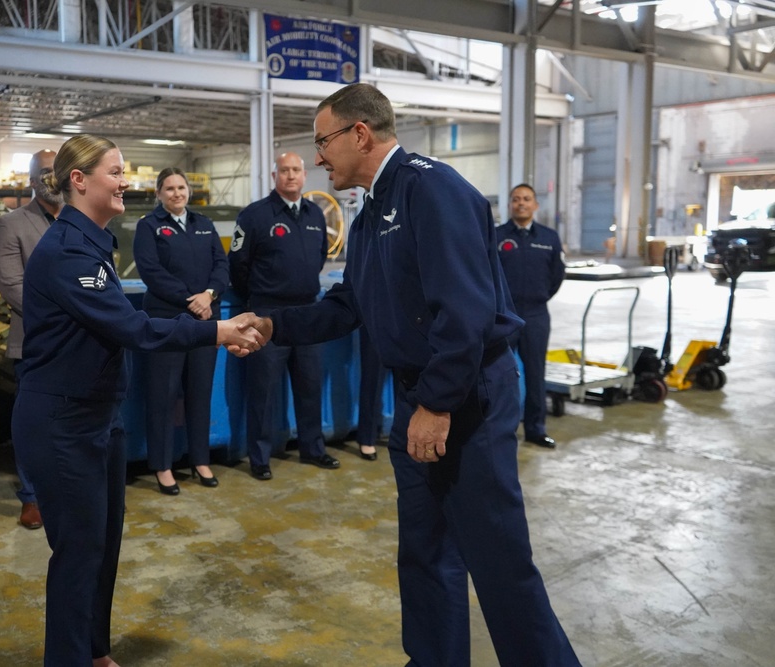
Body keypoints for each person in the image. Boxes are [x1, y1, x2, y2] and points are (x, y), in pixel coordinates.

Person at [248, 83, 580, 666]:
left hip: (464, 398)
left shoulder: (432, 191)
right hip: (418, 395)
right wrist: (274, 326)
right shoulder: (373, 208)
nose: (319, 157)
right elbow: (350, 303)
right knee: (425, 550)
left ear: (360, 133)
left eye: (323, 141)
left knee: (498, 558)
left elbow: (466, 311)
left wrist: (438, 403)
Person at [11, 134, 266, 667]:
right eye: (115, 171)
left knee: (102, 549)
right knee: (78, 554)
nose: (126, 181)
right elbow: (133, 328)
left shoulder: (97, 243)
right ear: (79, 180)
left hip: (100, 415)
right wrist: (218, 332)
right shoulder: (65, 252)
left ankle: (94, 651)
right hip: (63, 421)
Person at [228, 151, 339, 481]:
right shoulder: (254, 216)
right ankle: (260, 457)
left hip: (308, 313)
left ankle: (313, 447)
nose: (291, 176)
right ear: (274, 176)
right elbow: (238, 266)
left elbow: (320, 258)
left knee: (310, 385)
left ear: (304, 176)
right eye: (284, 170)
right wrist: (264, 296)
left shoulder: (316, 215)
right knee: (262, 389)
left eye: (296, 170)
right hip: (267, 315)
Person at [133, 167, 229, 494]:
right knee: (163, 393)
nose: (177, 193)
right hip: (167, 321)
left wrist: (210, 295)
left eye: (181, 187)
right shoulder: (149, 227)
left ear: (189, 191)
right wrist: (191, 300)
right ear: (158, 194)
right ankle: (162, 466)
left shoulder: (204, 225)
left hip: (205, 321)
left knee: (200, 391)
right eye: (169, 188)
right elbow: (151, 272)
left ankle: (200, 460)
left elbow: (221, 265)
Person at [0, 148, 61, 530]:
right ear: (32, 180)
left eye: (58, 171)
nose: (52, 178)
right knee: (34, 422)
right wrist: (62, 316)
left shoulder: (84, 221)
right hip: (35, 339)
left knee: (71, 421)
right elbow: (12, 286)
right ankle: (32, 497)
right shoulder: (12, 224)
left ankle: (72, 492)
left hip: (79, 342)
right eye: (45, 172)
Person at [496, 184, 566, 449]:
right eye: (515, 199)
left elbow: (557, 276)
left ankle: (536, 429)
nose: (521, 203)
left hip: (536, 315)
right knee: (499, 373)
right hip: (505, 316)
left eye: (526, 199)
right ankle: (500, 429)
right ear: (510, 205)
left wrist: (539, 297)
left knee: (536, 374)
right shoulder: (497, 237)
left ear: (536, 205)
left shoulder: (549, 238)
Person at [355, 325, 388, 461]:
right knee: (372, 374)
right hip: (375, 312)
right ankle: (367, 437)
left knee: (408, 377)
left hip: (408, 314)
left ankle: (407, 435)